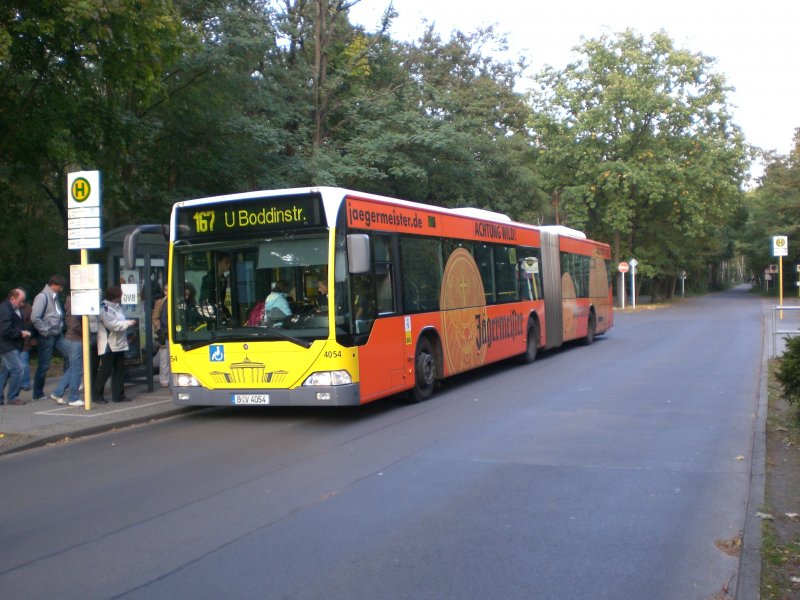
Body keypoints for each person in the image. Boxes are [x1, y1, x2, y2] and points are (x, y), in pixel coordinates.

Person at [94, 286, 137, 404]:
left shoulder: (116, 308)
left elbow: (117, 323)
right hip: (108, 344)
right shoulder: (104, 308)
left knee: (119, 370)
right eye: (120, 296)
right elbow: (112, 325)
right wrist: (128, 323)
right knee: (105, 371)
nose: (121, 298)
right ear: (114, 297)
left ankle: (119, 395)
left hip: (119, 343)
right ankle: (97, 395)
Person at [31, 274, 68, 401]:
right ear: (53, 285)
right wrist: (45, 331)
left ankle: (66, 383)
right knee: (44, 365)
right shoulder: (42, 297)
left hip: (57, 334)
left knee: (69, 355)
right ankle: (38, 393)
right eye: (60, 287)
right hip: (47, 335)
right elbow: (35, 317)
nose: (61, 289)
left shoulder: (54, 297)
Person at [49, 296, 84, 407]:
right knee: (76, 370)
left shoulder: (70, 304)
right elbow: (75, 325)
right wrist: (86, 331)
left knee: (73, 368)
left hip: (71, 339)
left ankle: (58, 392)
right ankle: (73, 397)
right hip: (76, 340)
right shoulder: (76, 305)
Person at [0, 288, 32, 405]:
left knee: (5, 371)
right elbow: (4, 330)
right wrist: (21, 333)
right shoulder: (5, 309)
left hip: (11, 344)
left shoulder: (12, 308)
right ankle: (12, 397)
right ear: (12, 298)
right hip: (7, 345)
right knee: (19, 368)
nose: (22, 303)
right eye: (20, 300)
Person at [199, 253, 231, 318]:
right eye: (226, 262)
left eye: (229, 262)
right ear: (218, 262)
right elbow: (205, 301)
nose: (228, 264)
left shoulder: (223, 279)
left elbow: (221, 301)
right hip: (211, 314)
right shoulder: (209, 279)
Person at [152, 284, 170, 388]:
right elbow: (155, 317)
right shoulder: (161, 302)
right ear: (165, 291)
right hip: (164, 333)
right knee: (164, 358)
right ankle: (164, 379)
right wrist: (159, 330)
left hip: (174, 333)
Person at [19, 297, 34, 391]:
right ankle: (19, 382)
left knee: (23, 362)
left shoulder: (28, 308)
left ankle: (25, 383)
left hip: (25, 340)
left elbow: (32, 324)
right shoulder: (9, 308)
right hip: (13, 341)